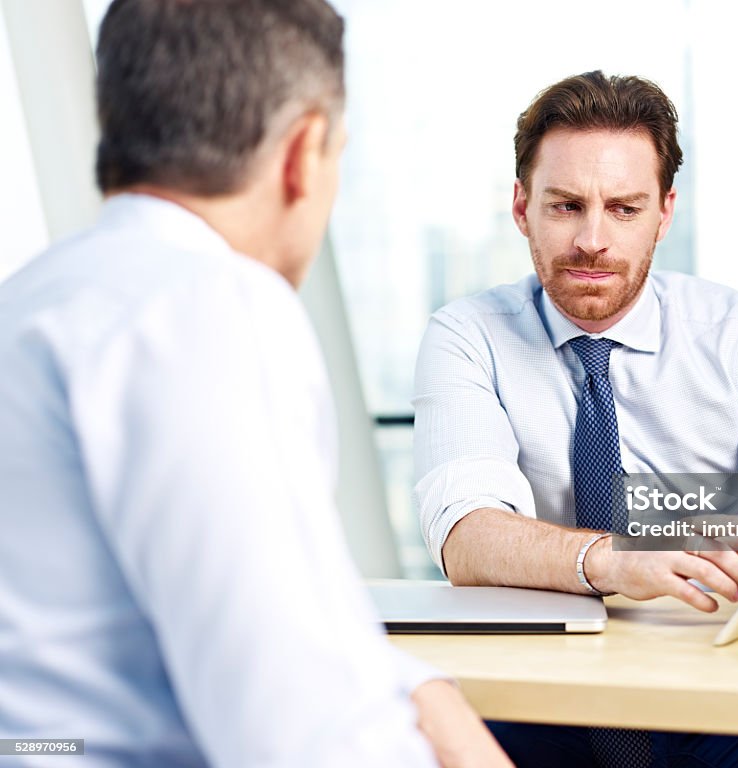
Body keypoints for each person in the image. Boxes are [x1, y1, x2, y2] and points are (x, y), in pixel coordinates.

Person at [0, 1, 511, 766]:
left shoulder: (31, 302)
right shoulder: (210, 306)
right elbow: (301, 736)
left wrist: (415, 685)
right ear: (304, 153)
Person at [413, 71, 738, 767]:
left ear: (665, 211)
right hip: (544, 696)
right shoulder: (466, 337)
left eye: (624, 209)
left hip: (728, 682)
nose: (592, 240)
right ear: (521, 207)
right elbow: (466, 539)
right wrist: (618, 560)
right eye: (566, 205)